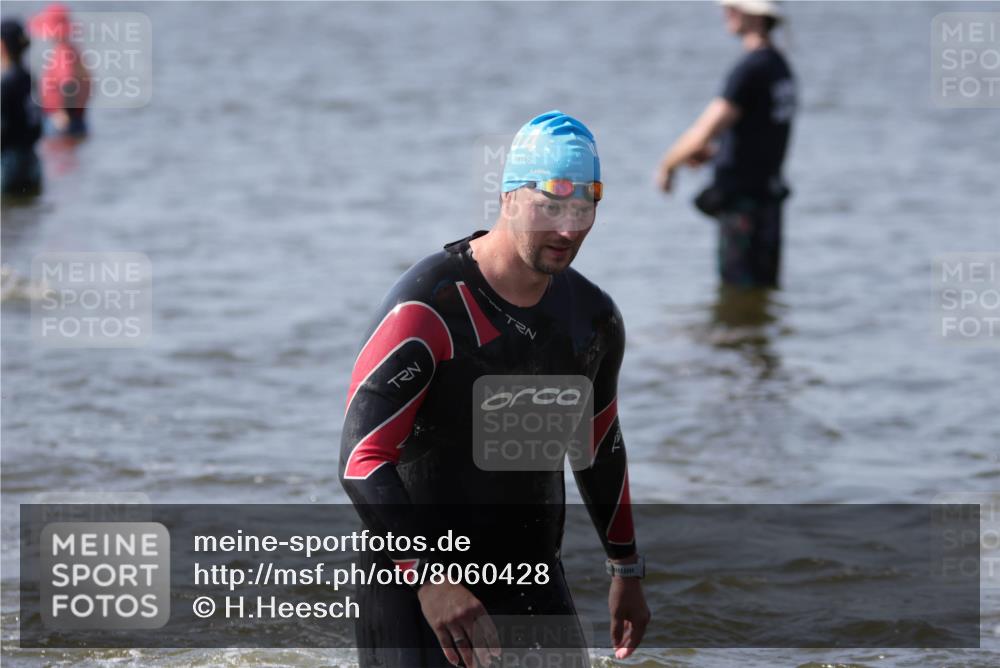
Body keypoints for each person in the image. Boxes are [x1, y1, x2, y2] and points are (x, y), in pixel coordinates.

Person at [340, 110, 649, 667]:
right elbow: (362, 458)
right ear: (508, 197)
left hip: (530, 574)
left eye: (585, 208)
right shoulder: (429, 304)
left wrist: (624, 568)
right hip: (416, 587)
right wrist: (430, 580)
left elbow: (599, 449)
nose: (568, 228)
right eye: (550, 206)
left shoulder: (592, 319)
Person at [656, 0, 796, 288]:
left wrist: (668, 165)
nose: (726, 12)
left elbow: (706, 128)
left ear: (756, 16)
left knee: (737, 291)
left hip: (743, 206)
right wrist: (717, 154)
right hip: (769, 199)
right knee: (763, 288)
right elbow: (762, 133)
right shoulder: (779, 66)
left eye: (734, 7)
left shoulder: (750, 69)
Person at [29, 3, 89, 138]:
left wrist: (63, 112)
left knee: (58, 156)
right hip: (76, 118)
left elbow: (68, 83)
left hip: (61, 119)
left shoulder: (63, 52)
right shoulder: (73, 50)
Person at [1, 18, 43, 196]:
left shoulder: (5, 83)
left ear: (2, 46)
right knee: (29, 209)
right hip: (32, 159)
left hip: (9, 161)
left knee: (8, 216)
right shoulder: (28, 76)